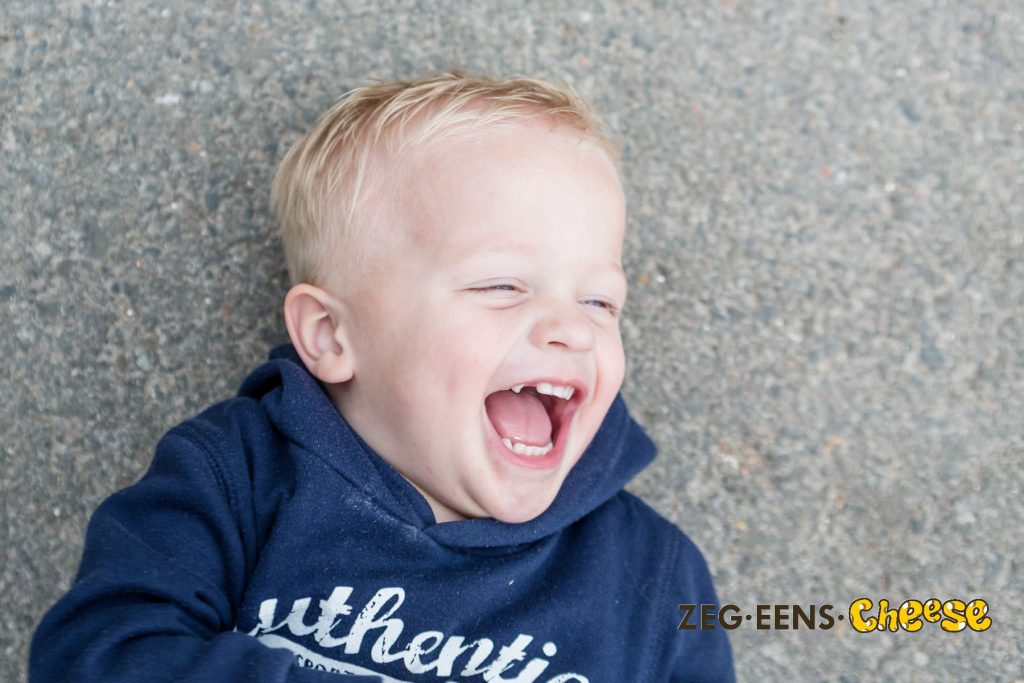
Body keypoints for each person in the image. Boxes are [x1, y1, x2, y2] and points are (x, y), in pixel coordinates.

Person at [30, 71, 735, 682]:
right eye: (500, 285)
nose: (572, 328)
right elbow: (95, 654)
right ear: (331, 335)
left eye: (600, 301)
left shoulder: (655, 578)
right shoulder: (237, 478)